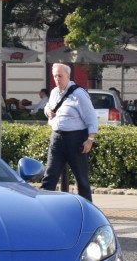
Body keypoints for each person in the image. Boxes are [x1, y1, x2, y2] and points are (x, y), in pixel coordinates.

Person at [41, 62, 98, 201]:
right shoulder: (54, 92)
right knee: (50, 176)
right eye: (55, 76)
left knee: (81, 178)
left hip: (75, 139)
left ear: (68, 76)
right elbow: (48, 107)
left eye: (60, 76)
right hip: (57, 138)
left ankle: (87, 209)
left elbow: (91, 118)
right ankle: (43, 207)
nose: (57, 79)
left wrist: (90, 140)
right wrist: (47, 111)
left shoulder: (79, 94)